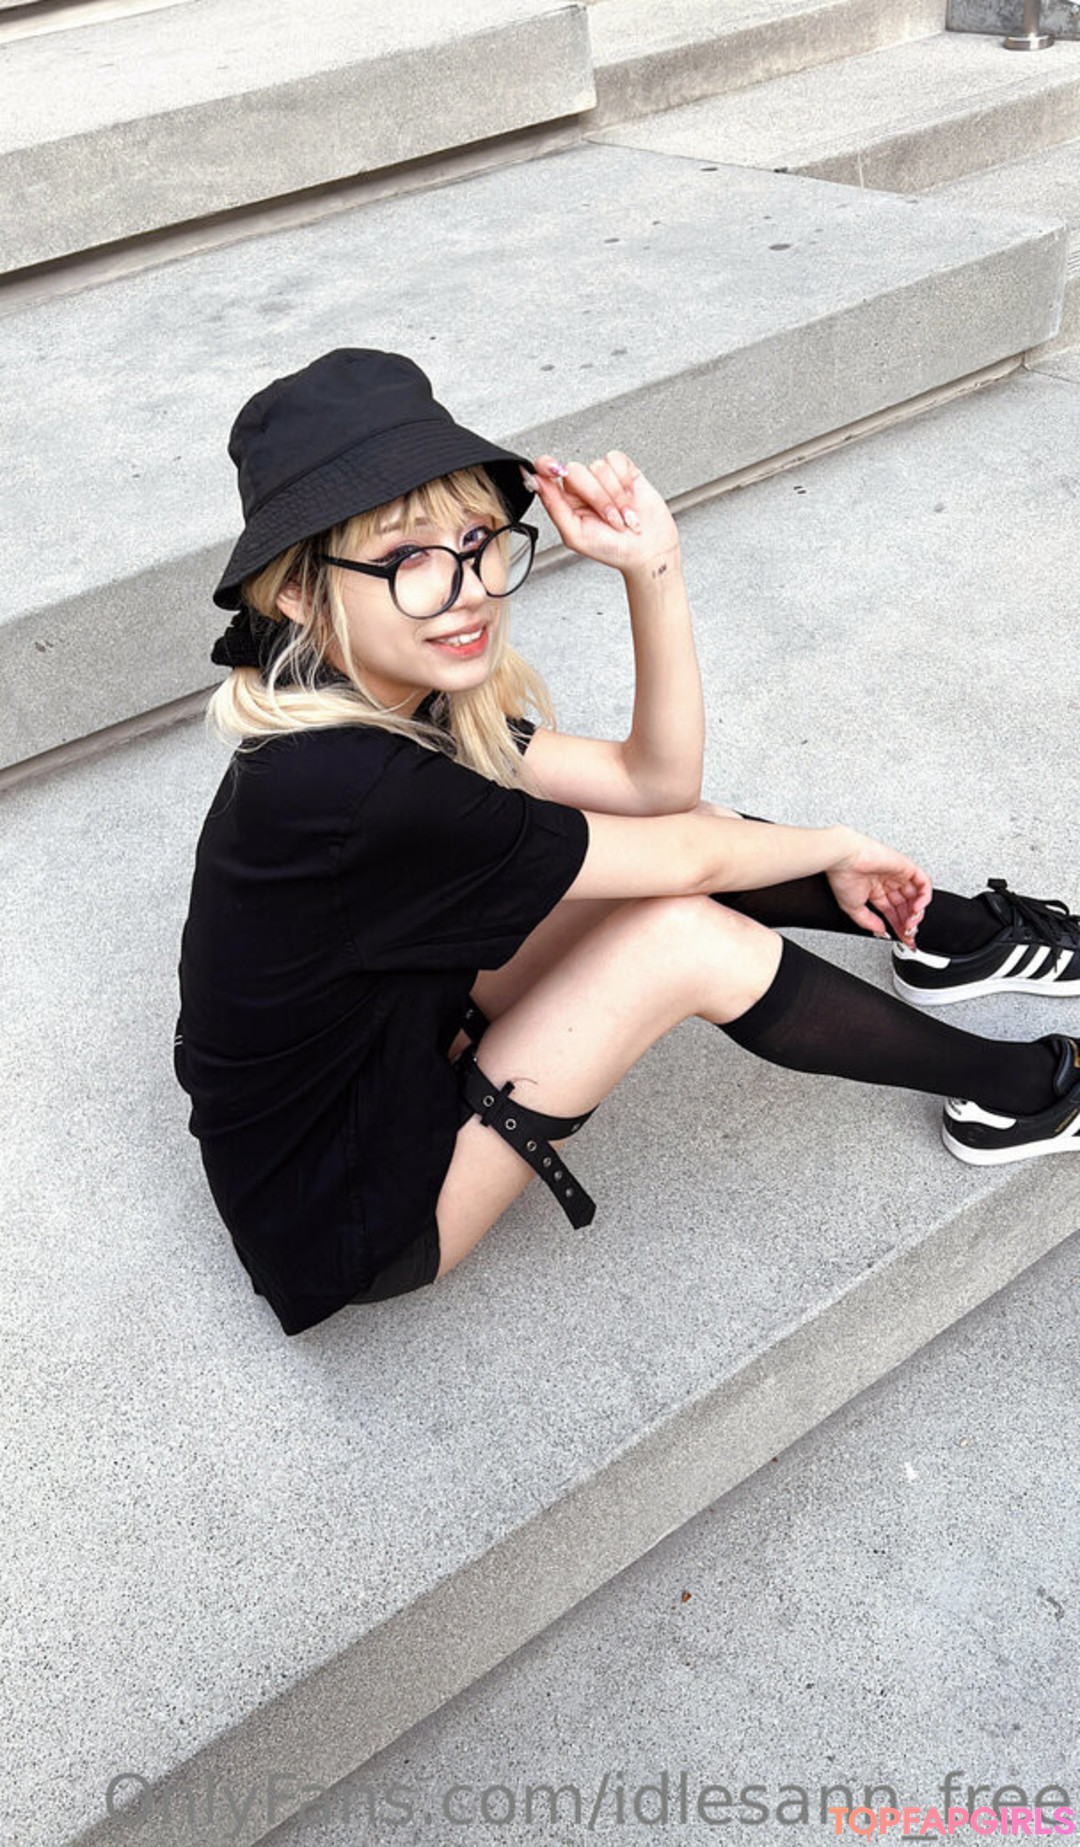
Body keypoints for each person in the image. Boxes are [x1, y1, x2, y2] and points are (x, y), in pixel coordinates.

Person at [173, 348, 1080, 1338]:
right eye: (407, 559)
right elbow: (685, 860)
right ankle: (1027, 1094)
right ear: (299, 593)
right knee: (683, 936)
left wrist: (653, 566)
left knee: (686, 839)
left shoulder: (378, 693)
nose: (468, 587)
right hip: (351, 1209)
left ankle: (950, 940)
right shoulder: (353, 787)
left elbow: (657, 789)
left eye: (476, 538)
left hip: (399, 1035)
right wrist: (836, 841)